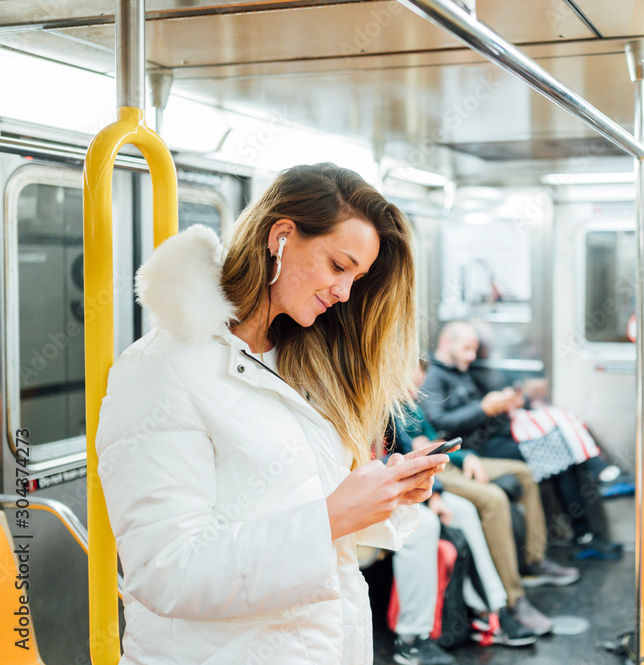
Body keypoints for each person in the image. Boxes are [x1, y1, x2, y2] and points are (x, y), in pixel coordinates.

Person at [95, 163, 451, 665]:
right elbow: (166, 572)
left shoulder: (295, 360)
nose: (345, 293)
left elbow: (289, 505)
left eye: (357, 278)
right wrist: (333, 515)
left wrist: (379, 496)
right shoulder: (160, 369)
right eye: (338, 266)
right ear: (280, 236)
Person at [421, 321, 621, 558]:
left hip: (500, 434)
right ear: (446, 343)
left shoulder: (461, 371)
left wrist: (505, 402)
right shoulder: (435, 377)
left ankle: (586, 533)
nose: (472, 356)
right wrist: (483, 409)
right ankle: (595, 501)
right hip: (480, 447)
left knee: (562, 450)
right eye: (466, 349)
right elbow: (438, 422)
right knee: (560, 452)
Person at [404, 371, 577, 631]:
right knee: (494, 500)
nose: (420, 378)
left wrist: (466, 456)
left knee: (524, 473)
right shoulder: (398, 404)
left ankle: (533, 560)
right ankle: (513, 599)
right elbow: (417, 448)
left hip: (450, 458)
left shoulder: (415, 404)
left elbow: (435, 440)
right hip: (434, 469)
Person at [386, 425, 538, 665]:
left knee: (464, 511)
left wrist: (434, 492)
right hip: (373, 490)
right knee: (423, 525)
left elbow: (405, 448)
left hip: (401, 482)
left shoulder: (387, 408)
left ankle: (490, 610)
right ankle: (411, 638)